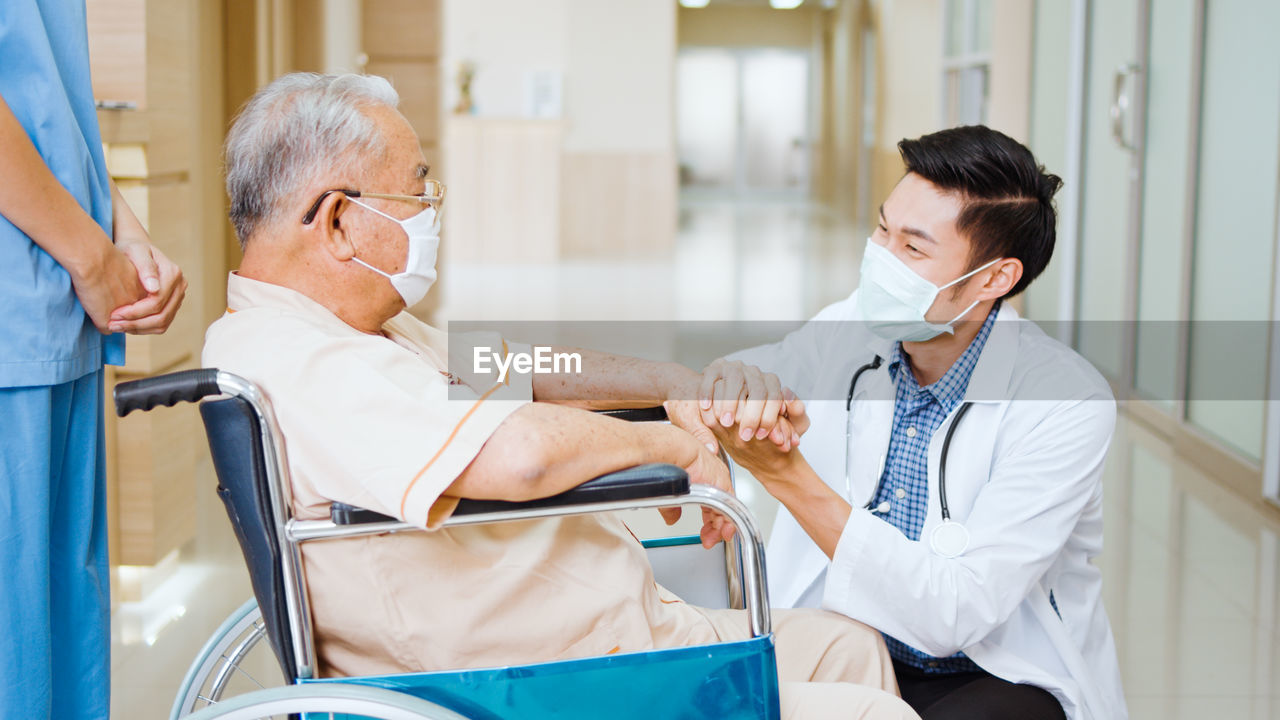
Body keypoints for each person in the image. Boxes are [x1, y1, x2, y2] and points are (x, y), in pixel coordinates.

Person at [203, 72, 917, 720]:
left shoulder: (356, 328)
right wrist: (670, 446)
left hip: (612, 630)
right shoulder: (300, 359)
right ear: (335, 221)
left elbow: (512, 365)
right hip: (533, 681)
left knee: (850, 648)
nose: (430, 209)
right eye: (416, 190)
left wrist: (674, 383)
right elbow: (520, 458)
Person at [672, 126, 1126, 720]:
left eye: (913, 250)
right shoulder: (853, 324)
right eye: (882, 230)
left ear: (994, 279)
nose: (881, 260)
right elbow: (760, 371)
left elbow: (954, 615)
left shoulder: (1064, 403)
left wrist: (785, 476)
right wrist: (724, 389)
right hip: (844, 635)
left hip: (989, 669)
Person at [0, 2, 187, 717]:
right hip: (25, 309)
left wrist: (121, 233)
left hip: (53, 313)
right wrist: (88, 251)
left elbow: (48, 100)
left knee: (58, 647)